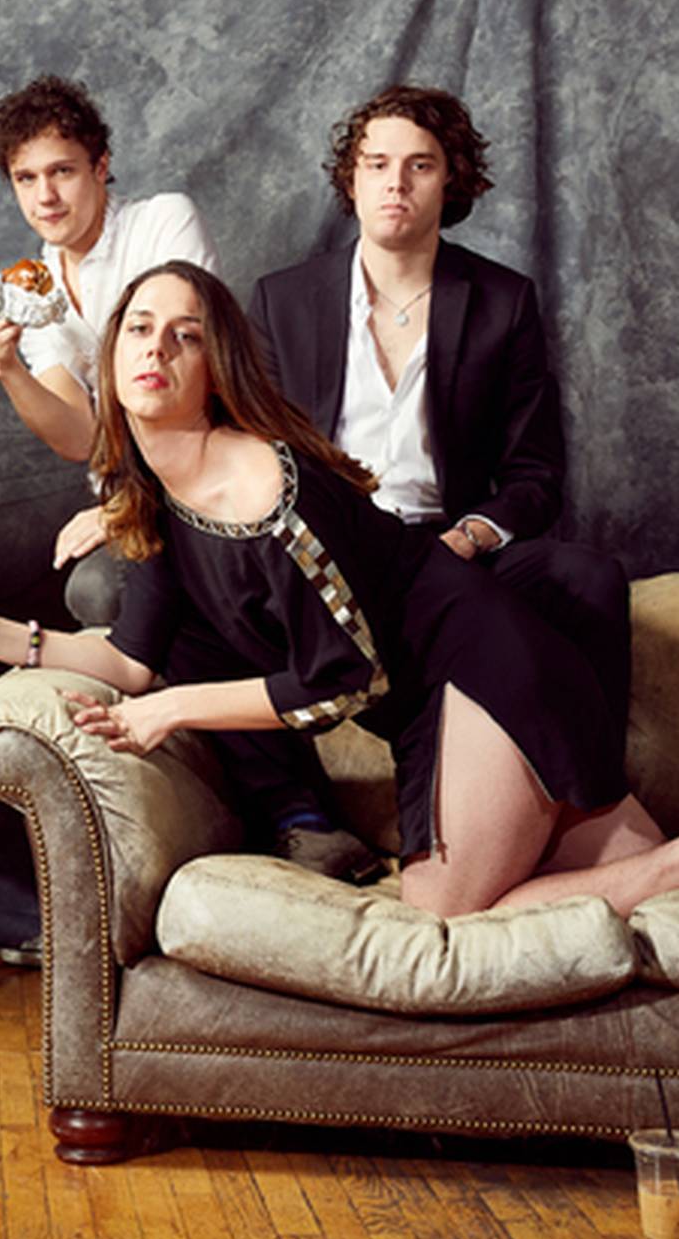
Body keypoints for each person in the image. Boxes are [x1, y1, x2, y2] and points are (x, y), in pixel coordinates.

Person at [0, 261, 679, 918]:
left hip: (483, 675)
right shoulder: (156, 495)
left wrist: (174, 711)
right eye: (138, 327)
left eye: (185, 332)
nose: (155, 345)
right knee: (661, 886)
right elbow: (126, 662)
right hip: (444, 705)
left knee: (442, 909)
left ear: (216, 367)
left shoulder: (266, 484)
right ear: (108, 355)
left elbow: (338, 678)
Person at [249, 85, 632, 768]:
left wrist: (471, 536)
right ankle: (303, 804)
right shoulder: (284, 300)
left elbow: (535, 474)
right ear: (351, 179)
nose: (395, 183)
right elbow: (254, 453)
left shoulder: (503, 301)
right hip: (334, 550)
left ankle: (597, 792)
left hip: (451, 545)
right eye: (376, 164)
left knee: (589, 578)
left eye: (419, 165)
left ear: (451, 179)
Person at [0, 75, 220, 626]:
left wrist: (122, 511)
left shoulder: (163, 222)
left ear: (100, 167)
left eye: (62, 171)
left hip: (207, 475)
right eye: (26, 178)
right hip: (130, 499)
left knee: (103, 593)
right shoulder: (36, 289)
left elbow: (192, 380)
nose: (45, 197)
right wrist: (7, 366)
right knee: (90, 591)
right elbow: (79, 437)